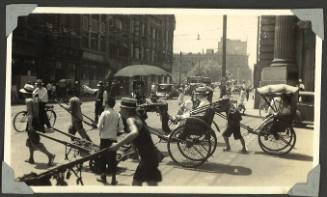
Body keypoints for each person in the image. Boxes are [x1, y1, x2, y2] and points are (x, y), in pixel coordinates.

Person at [109, 98, 162, 186]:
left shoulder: (130, 119)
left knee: (136, 185)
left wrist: (117, 145)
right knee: (151, 185)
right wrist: (125, 154)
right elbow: (140, 140)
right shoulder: (138, 117)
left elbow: (135, 133)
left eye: (121, 108)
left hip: (147, 159)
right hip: (151, 157)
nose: (120, 111)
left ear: (126, 110)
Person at [96, 97, 124, 185]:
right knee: (112, 159)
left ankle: (103, 177)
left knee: (103, 158)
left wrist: (102, 129)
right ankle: (113, 179)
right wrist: (115, 133)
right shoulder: (117, 114)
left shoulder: (104, 114)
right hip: (113, 140)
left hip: (104, 139)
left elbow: (99, 126)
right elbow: (121, 128)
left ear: (107, 104)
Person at [25, 97, 55, 166]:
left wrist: (30, 126)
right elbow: (43, 112)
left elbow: (30, 114)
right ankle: (31, 158)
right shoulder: (36, 100)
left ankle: (50, 155)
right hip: (37, 123)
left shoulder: (29, 100)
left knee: (35, 143)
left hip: (33, 124)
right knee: (30, 141)